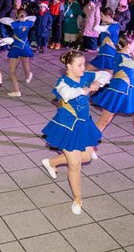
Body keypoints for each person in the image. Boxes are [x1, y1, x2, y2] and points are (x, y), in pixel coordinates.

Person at [41, 50, 110, 215]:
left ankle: (50, 163)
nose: (83, 67)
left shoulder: (85, 75)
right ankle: (77, 200)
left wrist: (98, 83)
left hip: (84, 124)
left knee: (85, 156)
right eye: (79, 65)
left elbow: (106, 74)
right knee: (75, 164)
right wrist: (86, 89)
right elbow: (67, 94)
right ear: (69, 66)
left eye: (84, 64)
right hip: (67, 126)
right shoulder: (62, 82)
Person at [92, 35, 134, 145]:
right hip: (119, 91)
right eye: (133, 44)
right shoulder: (123, 57)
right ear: (128, 45)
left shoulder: (123, 56)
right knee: (105, 120)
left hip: (126, 90)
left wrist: (131, 54)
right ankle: (88, 143)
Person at [0, 9, 36, 97]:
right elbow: (34, 17)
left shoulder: (15, 24)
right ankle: (28, 75)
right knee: (25, 63)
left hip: (17, 47)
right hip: (25, 46)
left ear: (17, 15)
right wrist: (25, 18)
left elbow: (1, 20)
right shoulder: (28, 23)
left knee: (12, 71)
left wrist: (15, 19)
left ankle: (16, 91)